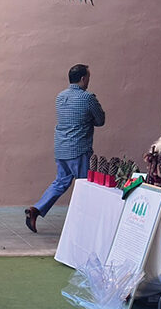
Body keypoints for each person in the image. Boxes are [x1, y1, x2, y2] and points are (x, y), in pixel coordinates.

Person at [25, 64, 105, 233]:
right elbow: (100, 120)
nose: (88, 80)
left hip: (61, 147)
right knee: (85, 185)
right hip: (79, 149)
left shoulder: (60, 97)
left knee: (61, 182)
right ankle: (83, 222)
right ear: (83, 79)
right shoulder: (88, 98)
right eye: (88, 77)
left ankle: (36, 209)